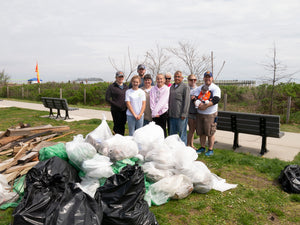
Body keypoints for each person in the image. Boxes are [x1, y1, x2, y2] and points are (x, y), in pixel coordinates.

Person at [194, 71, 221, 156]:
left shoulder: (215, 88)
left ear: (212, 78)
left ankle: (210, 149)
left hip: (210, 114)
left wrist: (205, 106)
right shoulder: (200, 88)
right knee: (201, 132)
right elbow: (193, 96)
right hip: (200, 113)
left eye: (209, 77)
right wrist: (196, 103)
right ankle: (202, 147)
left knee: (210, 132)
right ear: (204, 78)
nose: (207, 79)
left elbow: (216, 99)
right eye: (206, 77)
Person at [168, 71, 190, 145]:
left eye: (178, 77)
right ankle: (173, 149)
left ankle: (183, 151)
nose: (177, 78)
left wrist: (184, 113)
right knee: (172, 135)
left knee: (182, 134)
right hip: (172, 115)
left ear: (182, 78)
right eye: (175, 76)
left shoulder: (185, 87)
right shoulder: (172, 87)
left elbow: (187, 101)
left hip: (181, 116)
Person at [105, 71, 128, 135]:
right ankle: (115, 141)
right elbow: (107, 98)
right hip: (115, 110)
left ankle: (121, 140)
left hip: (124, 110)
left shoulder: (126, 87)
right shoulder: (112, 87)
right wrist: (116, 104)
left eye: (122, 77)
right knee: (117, 126)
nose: (120, 78)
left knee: (122, 125)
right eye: (119, 77)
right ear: (116, 78)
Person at [187, 74, 198, 149]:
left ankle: (191, 144)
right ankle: (188, 145)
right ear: (188, 80)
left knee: (193, 129)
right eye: (191, 80)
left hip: (197, 112)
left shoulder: (198, 89)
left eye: (194, 79)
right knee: (191, 129)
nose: (193, 81)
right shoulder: (187, 88)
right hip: (189, 112)